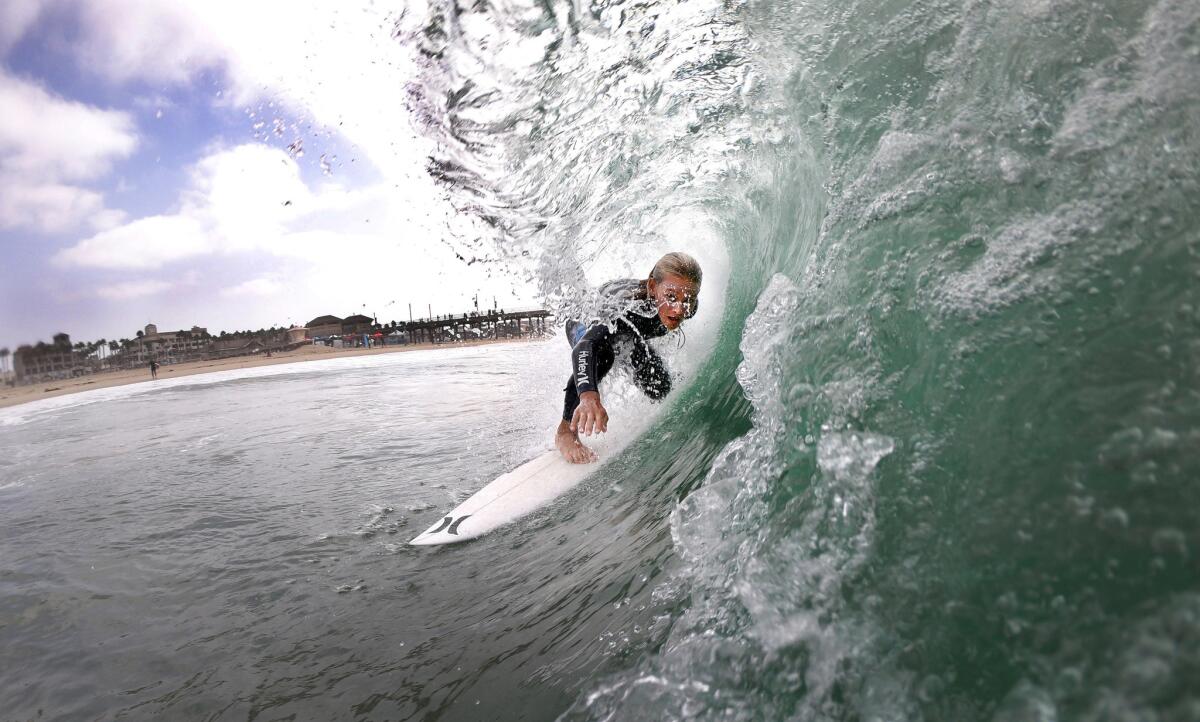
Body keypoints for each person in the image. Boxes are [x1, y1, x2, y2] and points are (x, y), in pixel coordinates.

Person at [556, 252, 702, 464]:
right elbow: (585, 347)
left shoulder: (688, 306)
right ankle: (565, 431)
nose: (679, 309)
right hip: (584, 320)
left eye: (687, 300)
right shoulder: (626, 310)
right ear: (653, 288)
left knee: (660, 386)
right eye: (670, 297)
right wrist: (588, 397)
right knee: (604, 355)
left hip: (628, 333)